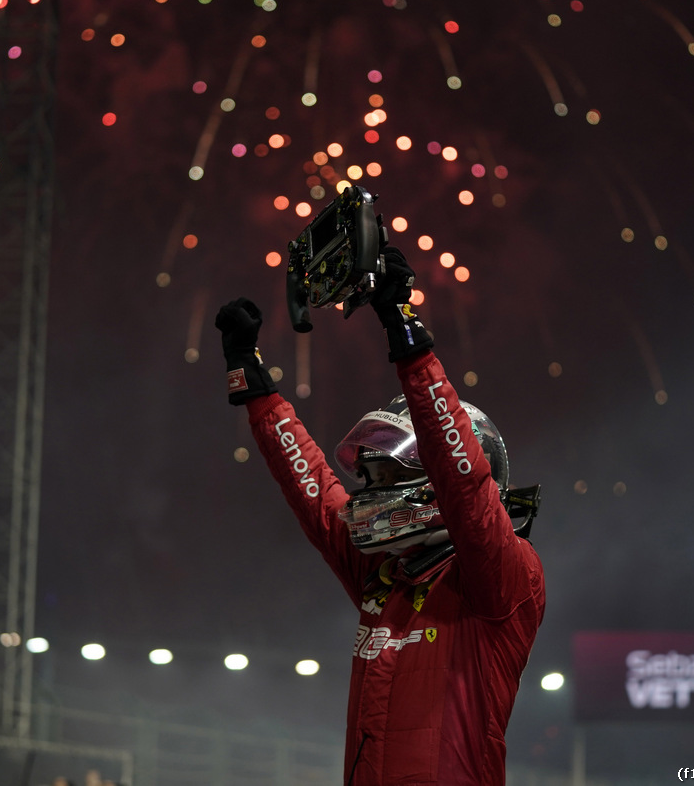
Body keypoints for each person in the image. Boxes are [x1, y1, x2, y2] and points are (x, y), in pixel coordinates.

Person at [215, 246, 546, 785]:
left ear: (436, 478)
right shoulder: (384, 577)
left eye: (386, 478)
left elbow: (464, 484)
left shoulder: (501, 579)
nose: (368, 494)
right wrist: (255, 389)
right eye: (369, 479)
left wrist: (405, 333)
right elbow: (314, 492)